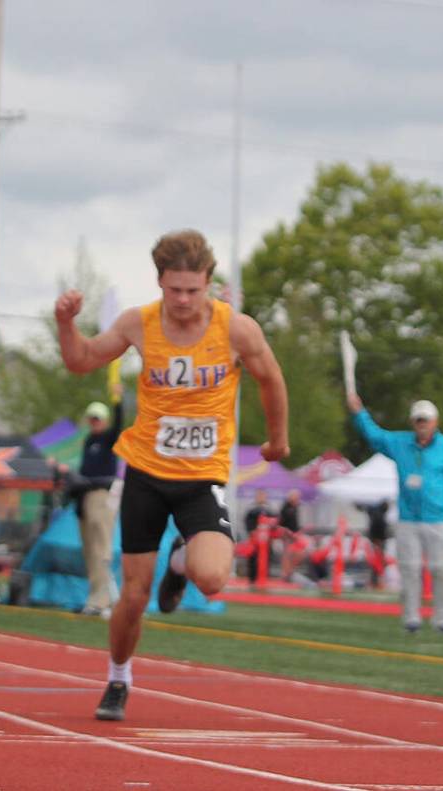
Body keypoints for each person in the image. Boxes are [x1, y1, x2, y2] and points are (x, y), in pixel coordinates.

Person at [55, 229, 289, 721]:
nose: (183, 300)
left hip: (202, 477)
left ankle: (181, 562)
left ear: (209, 283)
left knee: (213, 579)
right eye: (174, 289)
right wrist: (65, 323)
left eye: (193, 290)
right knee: (134, 595)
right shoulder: (139, 323)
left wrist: (277, 440)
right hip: (145, 473)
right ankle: (118, 678)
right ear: (159, 281)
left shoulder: (236, 329)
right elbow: (81, 361)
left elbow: (271, 379)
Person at [348, 395, 443, 634]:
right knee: (409, 569)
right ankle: (411, 618)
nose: (422, 425)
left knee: (442, 569)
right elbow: (375, 436)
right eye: (418, 420)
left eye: (426, 420)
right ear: (413, 423)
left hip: (438, 518)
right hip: (408, 518)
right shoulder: (401, 443)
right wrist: (359, 413)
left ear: (435, 422)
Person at [75, 385, 125, 617]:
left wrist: (118, 400)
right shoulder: (88, 441)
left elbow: (119, 426)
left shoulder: (107, 439)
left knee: (101, 547)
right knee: (90, 549)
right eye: (92, 418)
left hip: (102, 494)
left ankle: (104, 599)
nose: (94, 422)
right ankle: (96, 597)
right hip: (86, 495)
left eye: (97, 419)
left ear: (104, 420)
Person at [243, 489, 275, 584]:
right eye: (260, 496)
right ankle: (252, 578)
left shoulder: (269, 509)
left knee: (266, 558)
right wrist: (252, 531)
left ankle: (264, 577)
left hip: (266, 538)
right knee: (253, 557)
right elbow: (247, 521)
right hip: (255, 537)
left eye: (263, 496)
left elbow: (274, 522)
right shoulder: (252, 509)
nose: (261, 498)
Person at [278, 489, 310, 581]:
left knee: (299, 553)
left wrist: (299, 531)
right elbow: (281, 524)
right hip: (287, 534)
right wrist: (289, 532)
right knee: (287, 554)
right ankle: (285, 573)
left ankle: (289, 571)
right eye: (296, 497)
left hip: (295, 534)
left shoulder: (296, 508)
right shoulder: (285, 508)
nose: (297, 499)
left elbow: (296, 523)